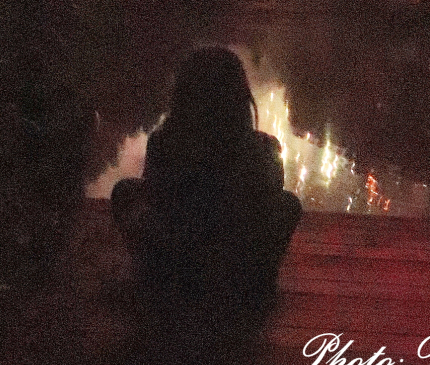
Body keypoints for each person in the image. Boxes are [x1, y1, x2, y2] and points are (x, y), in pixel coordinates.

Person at [111, 47, 301, 317]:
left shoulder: (164, 142)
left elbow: (154, 198)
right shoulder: (262, 148)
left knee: (126, 191)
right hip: (236, 271)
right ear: (239, 96)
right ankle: (258, 282)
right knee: (288, 204)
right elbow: (269, 200)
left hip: (174, 268)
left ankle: (151, 275)